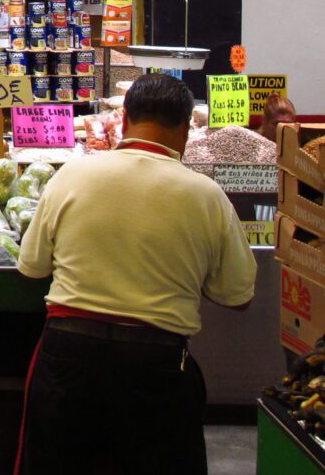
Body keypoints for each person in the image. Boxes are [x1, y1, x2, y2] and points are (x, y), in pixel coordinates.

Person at [15, 73, 257, 475]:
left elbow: (32, 268)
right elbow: (239, 295)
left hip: (69, 362)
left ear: (124, 120)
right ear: (185, 128)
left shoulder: (71, 176)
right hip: (158, 369)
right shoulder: (207, 195)